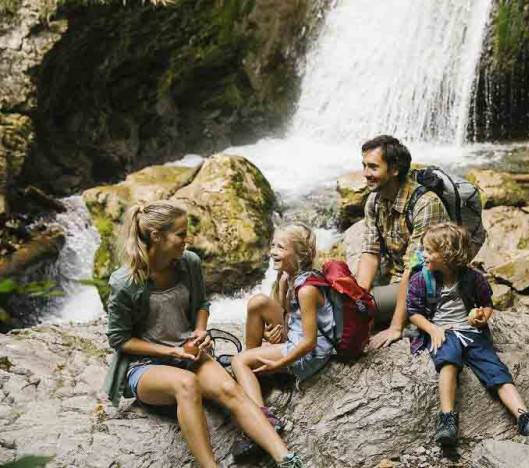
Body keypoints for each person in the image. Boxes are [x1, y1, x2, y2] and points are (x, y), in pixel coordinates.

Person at [102, 200, 303, 468]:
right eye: (181, 234)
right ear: (156, 236)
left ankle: (288, 459)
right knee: (186, 385)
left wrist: (199, 330)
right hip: (144, 367)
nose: (187, 239)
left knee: (230, 389)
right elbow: (120, 340)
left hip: (189, 354)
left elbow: (201, 305)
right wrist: (170, 351)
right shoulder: (125, 282)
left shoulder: (189, 263)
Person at [406, 223, 529, 446]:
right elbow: (414, 313)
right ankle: (447, 418)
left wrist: (482, 317)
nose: (423, 255)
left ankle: (523, 415)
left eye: (429, 251)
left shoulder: (473, 278)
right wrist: (433, 329)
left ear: (447, 255)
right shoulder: (421, 279)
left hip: (471, 332)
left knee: (495, 370)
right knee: (448, 362)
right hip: (443, 331)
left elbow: (486, 304)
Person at [231, 223, 335, 424]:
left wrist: (280, 363)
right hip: (296, 334)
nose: (272, 252)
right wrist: (273, 334)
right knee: (257, 303)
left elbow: (309, 341)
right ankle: (252, 369)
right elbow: (288, 316)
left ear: (299, 254)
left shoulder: (307, 290)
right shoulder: (285, 278)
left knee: (238, 361)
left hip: (311, 351)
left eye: (281, 248)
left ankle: (262, 418)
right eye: (272, 246)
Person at [356, 135, 450, 350]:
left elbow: (415, 268)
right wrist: (357, 296)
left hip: (427, 281)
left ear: (394, 170)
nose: (365, 174)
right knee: (349, 301)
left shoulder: (425, 204)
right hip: (394, 274)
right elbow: (370, 252)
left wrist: (395, 327)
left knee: (358, 308)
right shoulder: (374, 200)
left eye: (373, 167)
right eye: (364, 166)